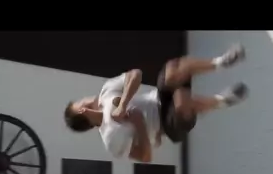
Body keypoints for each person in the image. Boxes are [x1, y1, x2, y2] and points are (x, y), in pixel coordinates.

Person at [63, 44, 249, 162]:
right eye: (81, 102)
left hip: (158, 97)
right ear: (83, 111)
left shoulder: (106, 91)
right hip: (167, 125)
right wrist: (139, 125)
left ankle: (220, 62)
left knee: (173, 68)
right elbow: (145, 157)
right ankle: (221, 101)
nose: (85, 98)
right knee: (181, 102)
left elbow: (135, 74)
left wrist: (123, 104)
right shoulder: (111, 139)